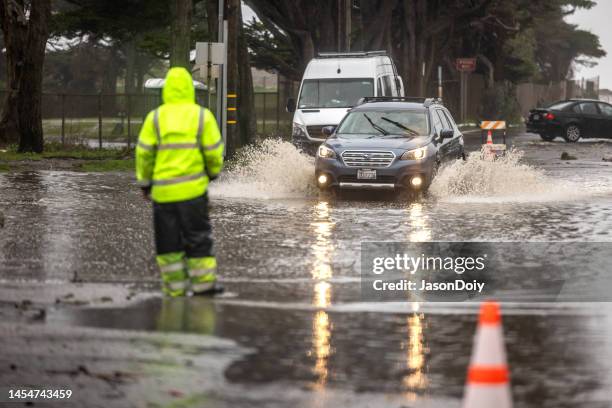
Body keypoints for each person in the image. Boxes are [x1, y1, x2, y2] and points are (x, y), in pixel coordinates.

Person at [136, 67, 224, 297]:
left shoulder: (154, 118)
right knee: (198, 237)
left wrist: (145, 184)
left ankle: (174, 288)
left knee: (168, 242)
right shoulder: (202, 116)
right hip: (193, 193)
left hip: (163, 194)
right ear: (189, 89)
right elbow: (214, 152)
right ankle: (204, 286)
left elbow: (144, 155)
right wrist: (213, 173)